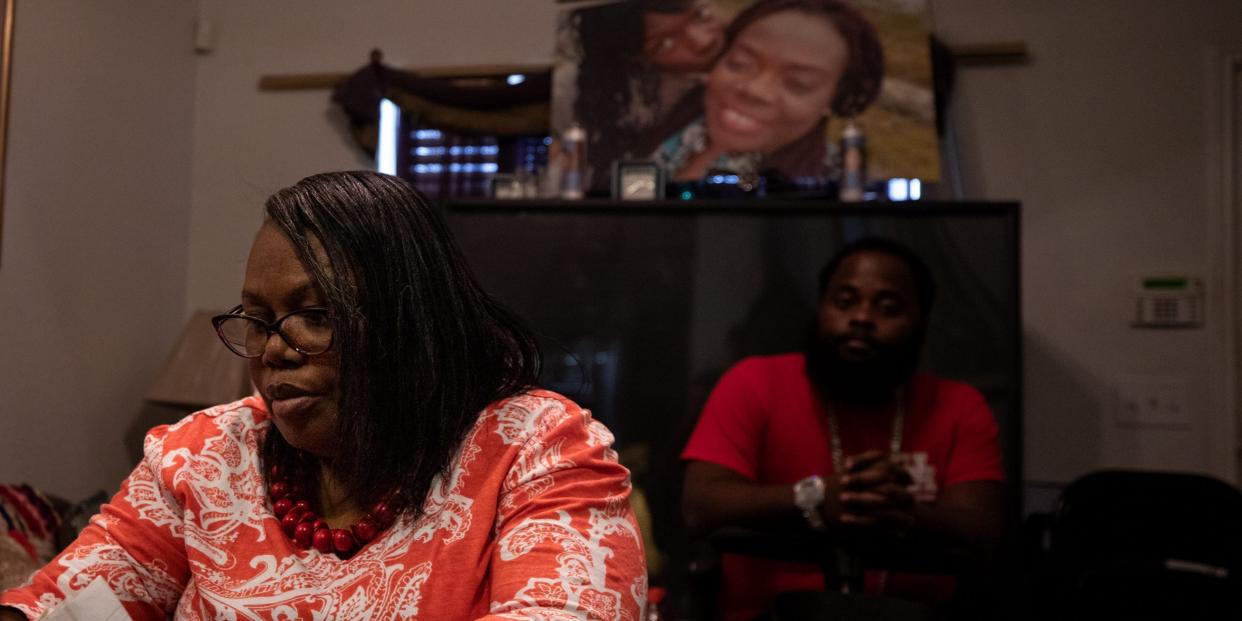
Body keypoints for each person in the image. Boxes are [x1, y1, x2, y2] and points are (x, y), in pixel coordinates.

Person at [0, 172, 646, 620]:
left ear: (411, 319)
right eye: (256, 317)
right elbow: (71, 600)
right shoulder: (206, 454)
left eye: (315, 313)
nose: (273, 348)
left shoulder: (534, 447)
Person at [681, 237, 1004, 620]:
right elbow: (700, 504)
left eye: (888, 307)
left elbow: (983, 526)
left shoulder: (959, 406)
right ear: (821, 308)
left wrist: (898, 510)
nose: (862, 318)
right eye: (845, 301)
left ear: (921, 321)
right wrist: (815, 498)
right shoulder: (754, 382)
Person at [649, 0, 884, 185]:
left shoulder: (832, 187)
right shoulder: (663, 114)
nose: (755, 90)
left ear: (832, 98)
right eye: (739, 64)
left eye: (798, 83)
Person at [567, 0, 727, 192]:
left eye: (701, 16)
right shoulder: (650, 107)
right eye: (665, 44)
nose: (703, 41)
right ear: (641, 61)